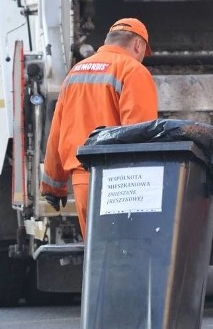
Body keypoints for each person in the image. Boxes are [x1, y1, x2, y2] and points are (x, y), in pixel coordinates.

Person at [40, 18, 158, 239]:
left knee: (98, 259)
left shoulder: (75, 72)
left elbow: (57, 131)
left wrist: (53, 186)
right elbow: (140, 134)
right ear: (138, 45)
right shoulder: (132, 71)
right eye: (144, 52)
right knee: (125, 257)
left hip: (82, 181)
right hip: (121, 184)